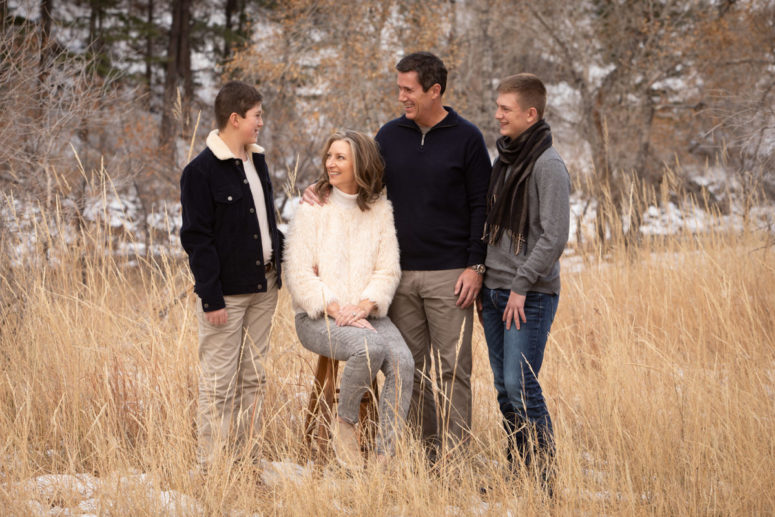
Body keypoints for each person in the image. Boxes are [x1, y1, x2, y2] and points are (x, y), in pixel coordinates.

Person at [304, 52, 491, 456]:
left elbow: (482, 206)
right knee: (412, 369)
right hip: (399, 276)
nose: (401, 97)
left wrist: (476, 266)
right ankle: (422, 458)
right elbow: (361, 179)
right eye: (400, 88)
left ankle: (454, 461)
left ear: (434, 90)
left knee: (453, 370)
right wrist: (322, 187)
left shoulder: (468, 139)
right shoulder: (390, 135)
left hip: (451, 275)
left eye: (409, 89)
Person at [285, 130, 414, 468]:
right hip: (317, 317)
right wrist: (337, 307)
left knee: (403, 362)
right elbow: (299, 274)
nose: (330, 163)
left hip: (365, 313)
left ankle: (385, 455)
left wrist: (365, 305)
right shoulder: (313, 208)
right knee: (368, 348)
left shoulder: (379, 210)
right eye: (329, 156)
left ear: (361, 164)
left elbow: (388, 270)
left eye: (340, 157)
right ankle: (345, 425)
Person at [180, 80, 283, 467]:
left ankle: (245, 460)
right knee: (220, 384)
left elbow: (264, 224)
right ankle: (212, 466)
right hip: (227, 296)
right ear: (236, 118)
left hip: (265, 288)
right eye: (257, 116)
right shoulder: (200, 172)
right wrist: (211, 296)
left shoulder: (257, 161)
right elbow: (197, 239)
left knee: (254, 378)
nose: (261, 123)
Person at [478, 73, 570, 489]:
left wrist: (520, 285)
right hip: (493, 292)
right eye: (498, 107)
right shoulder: (506, 160)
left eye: (506, 109)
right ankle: (518, 475)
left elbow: (554, 236)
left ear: (530, 114)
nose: (498, 115)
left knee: (521, 385)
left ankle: (546, 483)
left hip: (527, 296)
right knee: (503, 389)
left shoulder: (548, 165)